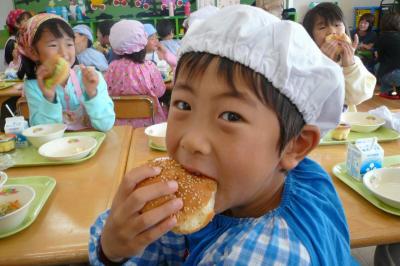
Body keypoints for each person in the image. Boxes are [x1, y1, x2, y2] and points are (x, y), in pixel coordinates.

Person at [88, 5, 357, 265]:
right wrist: (114, 246)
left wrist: (110, 256)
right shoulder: (247, 185)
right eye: (184, 105)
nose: (192, 140)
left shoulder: (264, 256)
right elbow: (173, 238)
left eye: (231, 116)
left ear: (294, 146)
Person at [17, 14, 115, 132]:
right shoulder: (33, 86)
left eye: (69, 44)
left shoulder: (90, 78)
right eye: (53, 45)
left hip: (95, 146)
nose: (64, 53)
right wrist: (49, 97)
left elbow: (106, 125)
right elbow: (41, 131)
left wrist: (92, 93)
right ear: (33, 52)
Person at [303, 2, 376, 112]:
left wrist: (350, 67)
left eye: (337, 25)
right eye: (322, 27)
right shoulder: (306, 61)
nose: (332, 31)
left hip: (345, 123)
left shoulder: (353, 62)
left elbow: (359, 97)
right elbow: (307, 97)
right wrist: (324, 63)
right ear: (310, 35)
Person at [105, 20, 167, 128]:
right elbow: (160, 91)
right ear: (143, 43)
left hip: (119, 127)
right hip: (150, 125)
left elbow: (106, 93)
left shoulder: (112, 68)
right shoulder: (149, 66)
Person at [374, 12, 400, 99]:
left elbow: (378, 57)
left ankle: (386, 93)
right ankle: (391, 93)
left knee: (378, 67)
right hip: (396, 74)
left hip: (390, 75)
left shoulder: (382, 37)